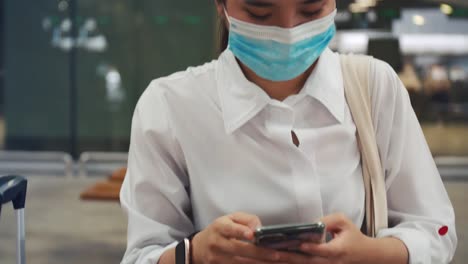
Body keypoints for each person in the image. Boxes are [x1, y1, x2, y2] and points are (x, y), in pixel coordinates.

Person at [120, 0, 457, 263]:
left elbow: (437, 230)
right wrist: (197, 253)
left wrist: (370, 254)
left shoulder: (374, 88)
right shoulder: (169, 106)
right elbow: (142, 255)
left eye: (311, 9)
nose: (288, 29)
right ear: (221, 7)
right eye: (260, 11)